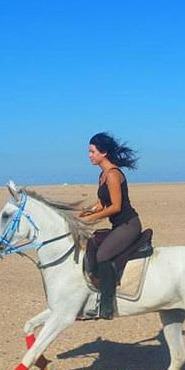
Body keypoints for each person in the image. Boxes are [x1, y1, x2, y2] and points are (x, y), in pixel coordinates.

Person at [79, 132, 142, 319]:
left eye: (92, 151)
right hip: (118, 226)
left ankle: (106, 305)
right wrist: (87, 211)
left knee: (103, 254)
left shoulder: (114, 175)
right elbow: (101, 203)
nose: (89, 155)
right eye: (89, 151)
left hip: (128, 225)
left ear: (103, 152)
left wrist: (92, 218)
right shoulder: (102, 175)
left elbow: (115, 207)